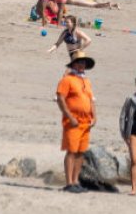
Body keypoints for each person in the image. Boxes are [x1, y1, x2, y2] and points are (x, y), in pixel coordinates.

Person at [56, 51, 96, 193]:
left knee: (80, 152)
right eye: (79, 62)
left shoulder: (86, 80)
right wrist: (70, 117)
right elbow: (60, 99)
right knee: (71, 151)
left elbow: (91, 99)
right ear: (73, 64)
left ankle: (75, 181)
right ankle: (69, 183)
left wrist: (94, 116)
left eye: (83, 62)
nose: (81, 65)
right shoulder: (67, 80)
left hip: (86, 122)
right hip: (73, 121)